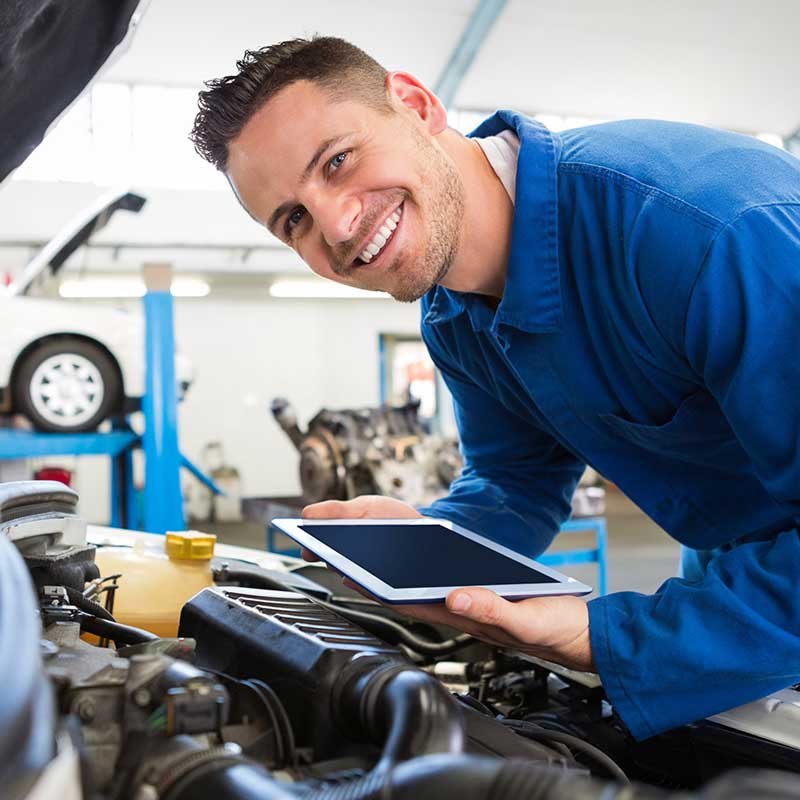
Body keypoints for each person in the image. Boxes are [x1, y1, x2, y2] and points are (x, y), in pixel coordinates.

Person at [189, 36, 800, 741]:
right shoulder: (451, 317)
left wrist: (607, 638)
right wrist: (423, 550)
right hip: (753, 594)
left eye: (337, 161)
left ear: (417, 105)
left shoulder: (700, 233)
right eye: (292, 219)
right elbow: (517, 480)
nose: (335, 224)